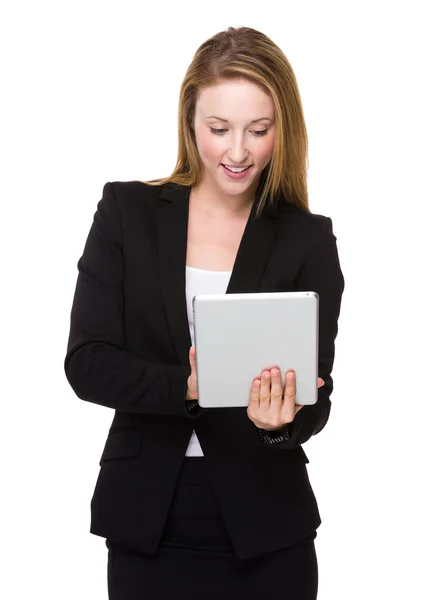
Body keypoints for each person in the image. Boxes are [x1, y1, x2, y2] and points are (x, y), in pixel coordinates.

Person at [64, 26, 344, 600]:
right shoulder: (126, 212)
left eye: (258, 130)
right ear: (190, 122)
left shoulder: (307, 240)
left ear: (282, 129)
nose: (237, 152)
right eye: (219, 129)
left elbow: (317, 392)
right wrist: (188, 386)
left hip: (268, 528)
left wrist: (282, 421)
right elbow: (87, 363)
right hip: (148, 519)